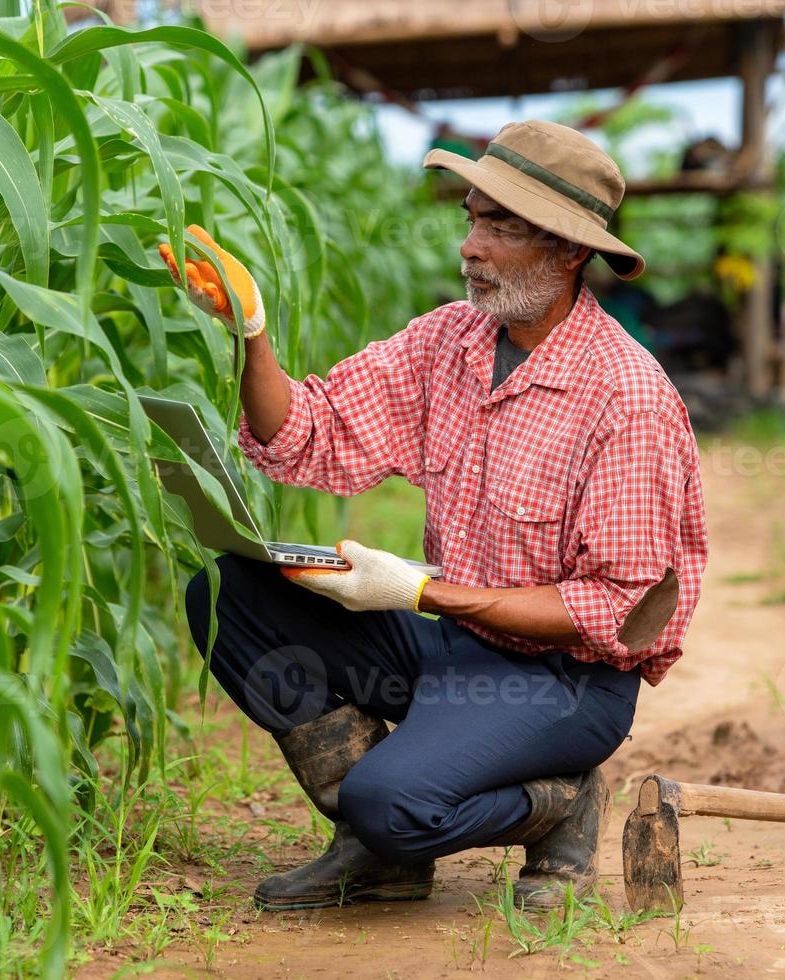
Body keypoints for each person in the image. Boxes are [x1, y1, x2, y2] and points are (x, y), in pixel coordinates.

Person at [159, 120, 708, 913]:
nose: (471, 247)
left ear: (570, 251)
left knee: (393, 804)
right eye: (473, 219)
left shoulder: (627, 397)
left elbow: (614, 614)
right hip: (455, 646)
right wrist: (252, 333)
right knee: (228, 596)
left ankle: (557, 803)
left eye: (501, 226)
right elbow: (306, 435)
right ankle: (375, 856)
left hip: (565, 682)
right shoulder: (448, 342)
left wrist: (414, 591)